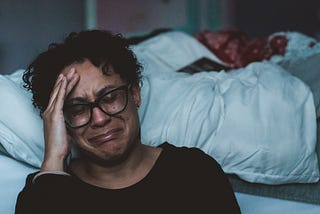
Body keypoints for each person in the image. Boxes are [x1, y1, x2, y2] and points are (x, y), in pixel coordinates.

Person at [15, 29, 241, 213]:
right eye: (78, 109)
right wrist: (54, 158)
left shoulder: (194, 172)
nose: (100, 118)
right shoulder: (43, 191)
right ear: (61, 121)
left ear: (135, 94)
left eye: (110, 97)